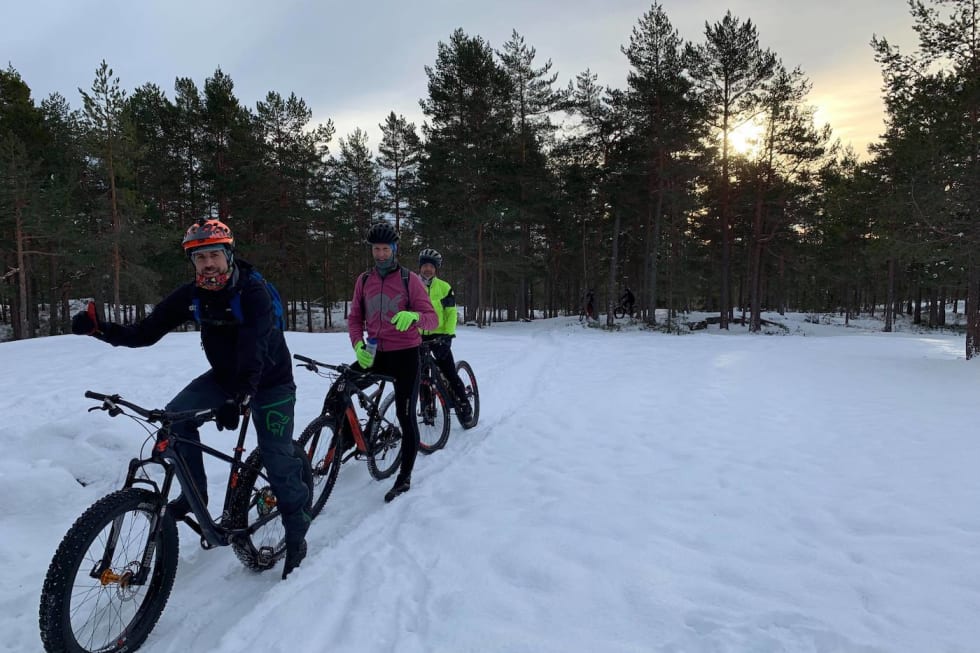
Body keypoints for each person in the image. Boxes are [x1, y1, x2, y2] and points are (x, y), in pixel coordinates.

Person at [70, 218, 311, 579]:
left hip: (271, 383)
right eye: (199, 258)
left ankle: (297, 530)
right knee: (175, 418)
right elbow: (145, 333)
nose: (207, 264)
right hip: (226, 378)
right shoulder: (193, 295)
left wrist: (242, 397)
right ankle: (194, 495)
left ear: (229, 255)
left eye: (214, 255)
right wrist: (99, 329)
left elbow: (255, 348)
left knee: (277, 460)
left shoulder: (252, 293)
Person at [347, 222, 438, 503]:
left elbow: (431, 318)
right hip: (374, 353)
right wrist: (358, 344)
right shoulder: (364, 280)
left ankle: (404, 477)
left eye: (386, 248)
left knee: (405, 414)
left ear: (395, 250)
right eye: (377, 249)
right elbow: (354, 319)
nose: (381, 254)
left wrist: (414, 318)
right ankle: (342, 442)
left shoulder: (410, 280)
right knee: (339, 389)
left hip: (405, 355)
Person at [417, 247, 474, 427]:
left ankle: (464, 404)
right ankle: (427, 408)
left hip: (439, 336)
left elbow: (451, 314)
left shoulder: (444, 287)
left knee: (448, 371)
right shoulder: (412, 286)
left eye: (431, 266)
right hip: (417, 336)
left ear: (436, 269)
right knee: (419, 375)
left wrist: (448, 335)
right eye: (425, 265)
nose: (428, 269)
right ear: (420, 267)